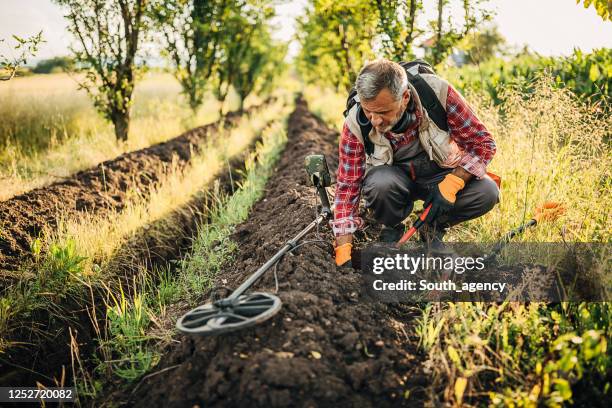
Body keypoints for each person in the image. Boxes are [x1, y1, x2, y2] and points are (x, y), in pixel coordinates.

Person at [333, 58, 500, 267]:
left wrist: (453, 183)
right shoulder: (356, 121)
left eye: (383, 112)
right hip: (395, 183)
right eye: (369, 111)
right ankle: (391, 228)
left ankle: (431, 228)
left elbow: (482, 143)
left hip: (440, 174)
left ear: (404, 97)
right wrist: (343, 247)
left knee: (487, 192)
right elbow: (348, 187)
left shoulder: (437, 92)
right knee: (379, 184)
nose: (375, 120)